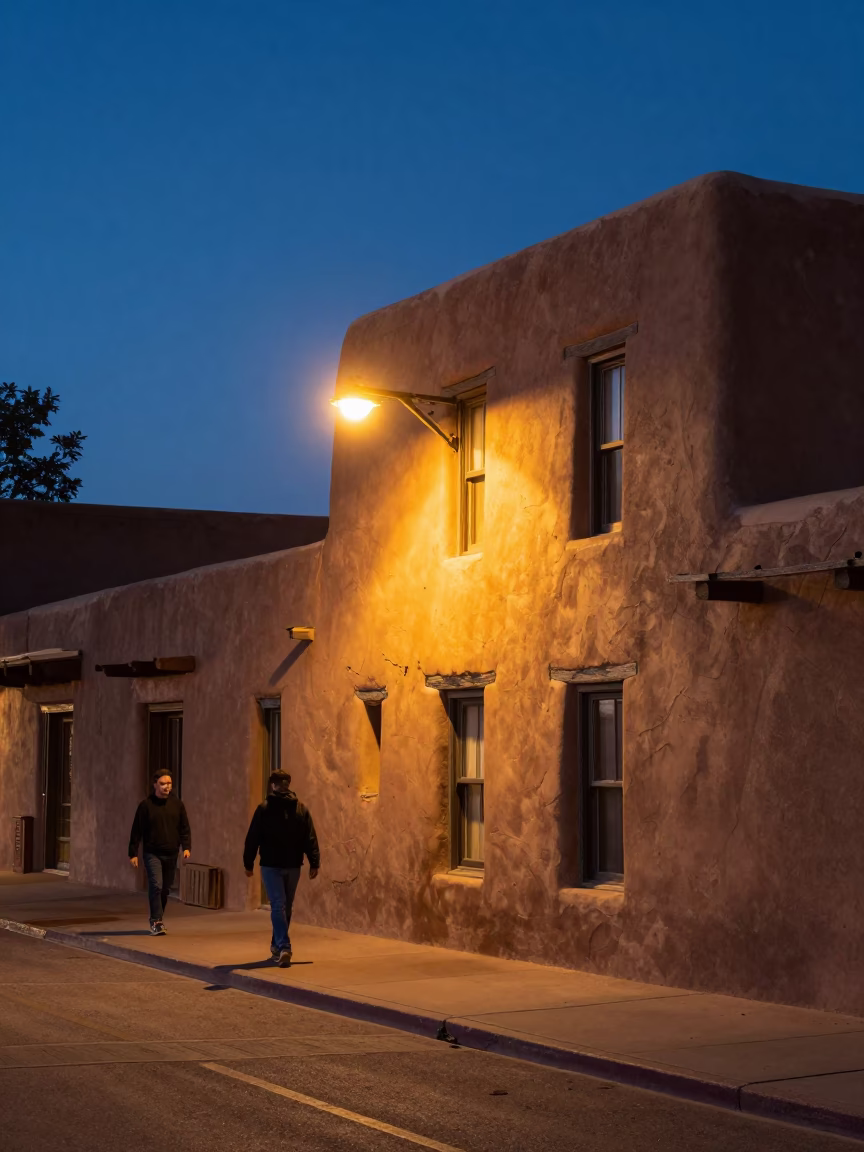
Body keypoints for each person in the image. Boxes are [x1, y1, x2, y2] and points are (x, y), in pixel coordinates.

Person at [243, 770, 320, 966]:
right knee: (282, 906)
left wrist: (248, 862)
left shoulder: (265, 808)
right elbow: (309, 837)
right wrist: (314, 861)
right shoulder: (300, 808)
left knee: (281, 906)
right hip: (292, 864)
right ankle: (284, 946)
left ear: (272, 785)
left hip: (271, 864)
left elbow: (253, 837)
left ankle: (279, 945)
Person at [128, 772, 191, 936]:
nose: (167, 787)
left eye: (169, 783)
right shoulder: (146, 806)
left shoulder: (177, 805)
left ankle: (158, 917)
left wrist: (186, 847)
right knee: (156, 885)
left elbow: (184, 828)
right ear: (155, 785)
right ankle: (156, 921)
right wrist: (133, 853)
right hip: (152, 853)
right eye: (163, 784)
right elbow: (136, 831)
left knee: (165, 889)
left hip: (171, 853)